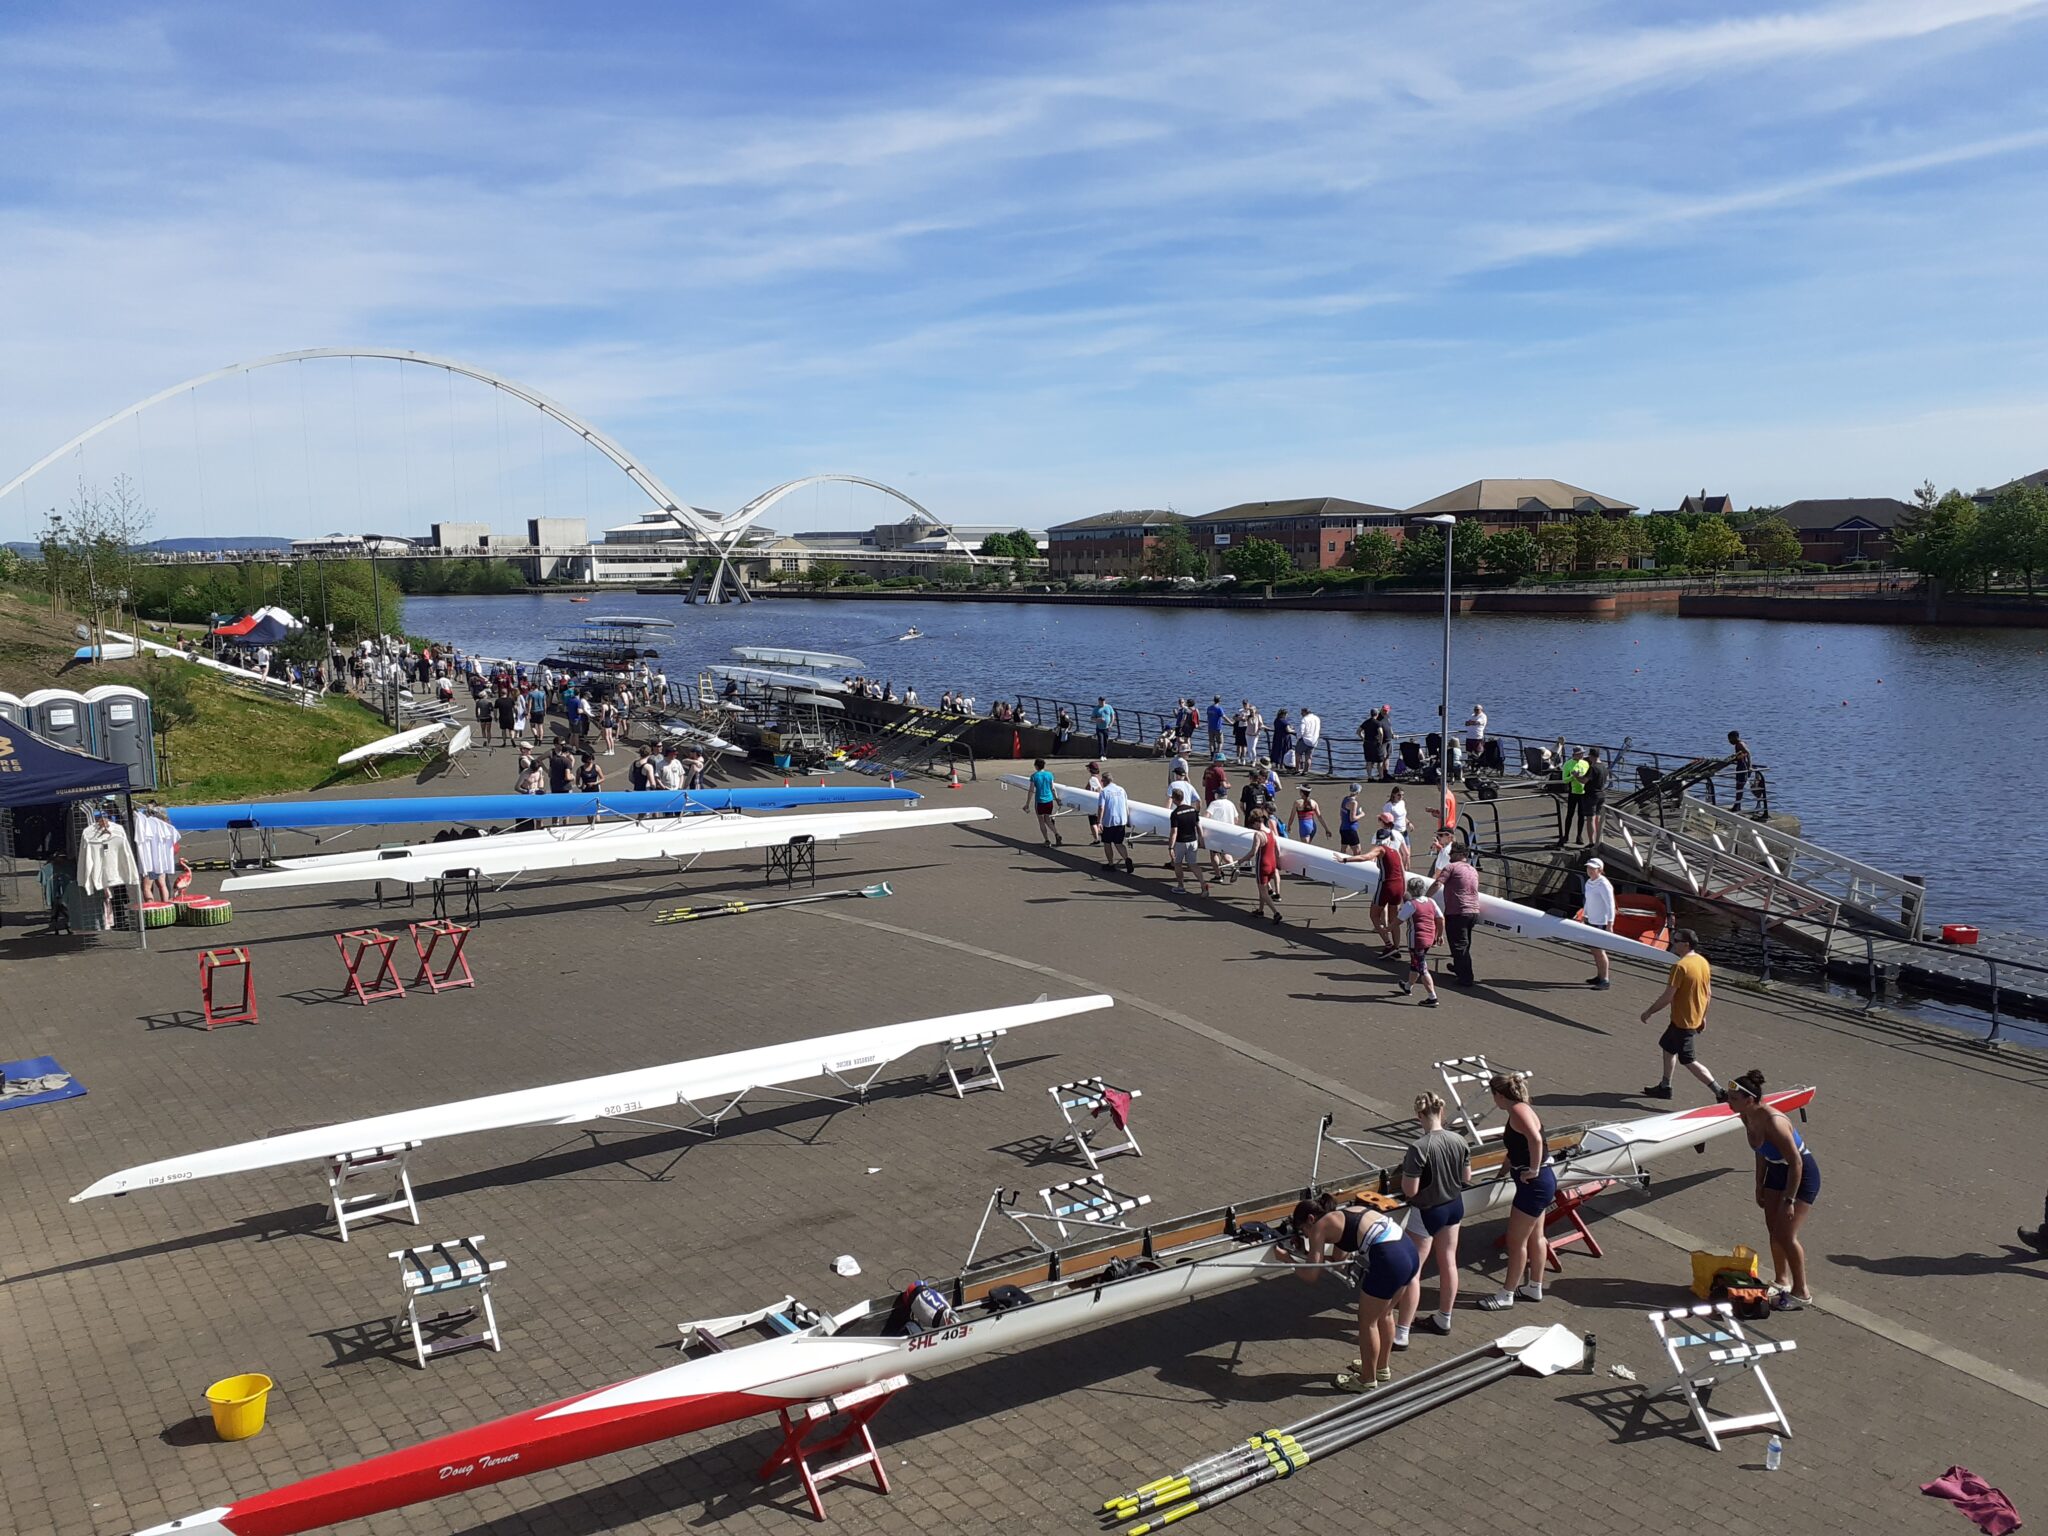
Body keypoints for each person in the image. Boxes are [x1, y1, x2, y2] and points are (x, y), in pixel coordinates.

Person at [1280, 1193, 1418, 1394]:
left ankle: (1366, 1380)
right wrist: (1304, 1254)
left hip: (1389, 1260)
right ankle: (1380, 1368)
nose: (1307, 1236)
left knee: (1366, 1321)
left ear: (1311, 1219)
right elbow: (1338, 1261)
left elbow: (1311, 1275)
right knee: (1385, 1314)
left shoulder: (1320, 1226)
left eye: (1304, 1231)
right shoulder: (1344, 1214)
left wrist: (1287, 1260)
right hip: (1407, 1251)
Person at [1727, 1068, 1819, 1308]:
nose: (1728, 1102)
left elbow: (1796, 1163)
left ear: (1750, 1100)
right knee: (1773, 1229)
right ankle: (1781, 1280)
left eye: (1733, 1099)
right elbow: (1760, 1153)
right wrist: (1759, 1184)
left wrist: (1789, 1200)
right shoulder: (1745, 1115)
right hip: (1775, 1171)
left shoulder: (1774, 1122)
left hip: (1800, 1173)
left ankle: (1802, 1293)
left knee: (1786, 1235)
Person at [1397, 1092, 1472, 1342]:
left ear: (1419, 1116)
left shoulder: (1419, 1147)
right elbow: (1467, 1178)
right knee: (1448, 1262)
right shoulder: (1459, 1140)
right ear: (1442, 1111)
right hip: (1454, 1206)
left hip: (1427, 1212)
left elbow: (1410, 1191)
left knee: (1412, 1272)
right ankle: (1444, 1318)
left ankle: (1402, 1332)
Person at [1476, 1074, 1552, 1310]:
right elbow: (1514, 1149)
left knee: (1515, 1241)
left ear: (1499, 1095)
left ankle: (1506, 1294)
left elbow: (1536, 1140)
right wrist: (1500, 1175)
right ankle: (1534, 1287)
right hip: (1543, 1182)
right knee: (1536, 1236)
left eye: (1493, 1096)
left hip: (1533, 1185)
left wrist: (1533, 1170)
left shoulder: (1518, 1112)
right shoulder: (1522, 1109)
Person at [1641, 929, 1723, 1101]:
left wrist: (1649, 1011)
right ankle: (1665, 1086)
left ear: (1686, 944)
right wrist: (1703, 1016)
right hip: (1690, 1018)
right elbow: (1708, 993)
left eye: (1676, 940)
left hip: (1684, 1022)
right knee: (1668, 1047)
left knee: (1688, 1060)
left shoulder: (1680, 967)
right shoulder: (1702, 961)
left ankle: (1720, 1092)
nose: (1673, 942)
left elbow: (1668, 997)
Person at [1429, 842, 1480, 987]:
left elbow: (1438, 884)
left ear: (1459, 855)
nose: (1449, 855)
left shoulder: (1451, 867)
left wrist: (1425, 898)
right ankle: (1459, 968)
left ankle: (1466, 978)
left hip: (1457, 911)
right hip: (1473, 911)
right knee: (1464, 943)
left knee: (1459, 945)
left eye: (1452, 853)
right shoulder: (1472, 870)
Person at [1398, 889, 1441, 1006]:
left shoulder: (1410, 905)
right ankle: (1407, 987)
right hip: (1428, 938)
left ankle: (1432, 997)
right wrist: (1439, 935)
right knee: (1415, 964)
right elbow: (1440, 918)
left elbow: (1398, 920)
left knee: (1422, 968)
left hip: (1416, 941)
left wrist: (1387, 929)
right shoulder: (1431, 902)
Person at [1167, 779, 1209, 895]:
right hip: (1193, 841)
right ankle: (1203, 884)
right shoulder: (1193, 810)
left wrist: (1170, 847)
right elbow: (1198, 826)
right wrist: (1201, 839)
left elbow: (1174, 832)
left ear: (1174, 800)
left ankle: (1181, 886)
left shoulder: (1175, 814)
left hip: (1181, 842)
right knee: (1193, 864)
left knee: (1178, 863)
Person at [1581, 856, 1616, 989]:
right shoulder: (1589, 882)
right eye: (1589, 868)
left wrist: (1610, 924)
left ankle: (1605, 979)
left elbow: (1610, 905)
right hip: (1592, 920)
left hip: (1601, 921)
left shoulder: (1604, 884)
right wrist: (1584, 916)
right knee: (1594, 950)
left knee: (1599, 950)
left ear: (1600, 870)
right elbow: (1588, 901)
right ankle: (1599, 975)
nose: (1590, 870)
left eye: (1593, 869)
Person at [1248, 807, 1283, 921]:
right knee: (1262, 888)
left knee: (1263, 891)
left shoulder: (1258, 835)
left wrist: (1241, 860)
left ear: (1257, 822)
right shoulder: (1271, 832)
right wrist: (1278, 862)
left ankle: (1276, 912)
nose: (1253, 827)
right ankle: (1260, 910)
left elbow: (1253, 852)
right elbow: (1277, 849)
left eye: (1253, 824)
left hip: (1262, 865)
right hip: (1272, 863)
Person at [1202, 780, 1241, 881]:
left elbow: (1206, 816)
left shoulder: (1214, 804)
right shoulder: (1231, 804)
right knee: (1226, 853)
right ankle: (1233, 868)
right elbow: (1236, 819)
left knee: (1214, 853)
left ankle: (1218, 875)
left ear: (1217, 795)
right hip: (1229, 832)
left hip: (1216, 832)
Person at [1097, 770, 1134, 874]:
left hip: (1109, 820)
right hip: (1121, 820)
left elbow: (1101, 807)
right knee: (1118, 843)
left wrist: (1099, 821)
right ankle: (1126, 858)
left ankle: (1111, 864)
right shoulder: (1121, 790)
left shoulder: (1104, 791)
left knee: (1107, 842)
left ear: (1104, 781)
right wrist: (1127, 818)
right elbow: (1126, 804)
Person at [1025, 757, 1062, 846]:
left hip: (1040, 801)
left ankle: (1047, 840)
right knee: (1047, 819)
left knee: (1041, 821)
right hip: (1049, 800)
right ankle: (1056, 833)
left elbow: (1031, 790)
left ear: (1036, 766)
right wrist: (1056, 799)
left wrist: (1027, 804)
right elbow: (1053, 788)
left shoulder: (1034, 776)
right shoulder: (1049, 775)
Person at [1559, 745, 1591, 844]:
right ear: (1575, 755)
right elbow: (1564, 780)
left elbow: (1588, 777)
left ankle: (1579, 836)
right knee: (1570, 814)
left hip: (1583, 792)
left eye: (1582, 753)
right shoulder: (1568, 764)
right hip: (1572, 792)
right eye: (1580, 754)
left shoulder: (1585, 763)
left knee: (1581, 815)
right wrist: (1573, 777)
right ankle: (1566, 836)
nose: (1582, 755)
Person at [1582, 748, 1609, 844]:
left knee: (1590, 819)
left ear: (1591, 756)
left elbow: (1584, 781)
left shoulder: (1593, 768)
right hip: (1601, 794)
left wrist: (1576, 776)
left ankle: (1591, 842)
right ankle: (1599, 840)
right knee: (1598, 818)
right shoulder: (1604, 767)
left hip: (1592, 794)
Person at [1728, 729, 1755, 810]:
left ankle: (1737, 805)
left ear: (1735, 737)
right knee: (1739, 787)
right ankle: (1737, 805)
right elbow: (1743, 755)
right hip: (1741, 766)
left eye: (1730, 739)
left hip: (1742, 767)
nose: (1729, 741)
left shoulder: (1739, 744)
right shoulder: (1742, 743)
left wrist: (1750, 766)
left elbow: (1748, 753)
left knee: (1739, 786)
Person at [1380, 785, 1409, 851]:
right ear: (1393, 795)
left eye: (1402, 795)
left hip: (1404, 831)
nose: (1401, 797)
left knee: (1407, 853)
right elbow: (1385, 820)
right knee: (1397, 853)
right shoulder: (1389, 806)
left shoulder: (1402, 803)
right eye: (1399, 795)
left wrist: (1409, 823)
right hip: (1395, 832)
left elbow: (1403, 816)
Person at [1338, 783, 1364, 852]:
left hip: (1343, 828)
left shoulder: (1345, 799)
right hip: (1350, 829)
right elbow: (1352, 818)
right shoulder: (1353, 802)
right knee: (1357, 851)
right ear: (1358, 792)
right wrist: (1362, 814)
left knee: (1343, 850)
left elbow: (1341, 813)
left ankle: (1340, 862)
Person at [1084, 760, 1104, 844]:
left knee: (1093, 821)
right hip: (1101, 802)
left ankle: (1096, 839)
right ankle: (1103, 837)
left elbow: (1097, 790)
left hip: (1094, 802)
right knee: (1100, 819)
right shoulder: (1101, 778)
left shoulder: (1092, 779)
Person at [1297, 706, 1321, 772]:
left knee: (1298, 754)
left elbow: (1302, 730)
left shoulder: (1304, 719)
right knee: (1308, 757)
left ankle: (1297, 770)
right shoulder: (1317, 718)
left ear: (1305, 712)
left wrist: (1298, 737)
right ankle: (1306, 771)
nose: (1301, 714)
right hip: (1314, 740)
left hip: (1305, 740)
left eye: (1301, 713)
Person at [1269, 709, 1294, 773]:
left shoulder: (1276, 720)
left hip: (1277, 737)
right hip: (1284, 738)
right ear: (1284, 714)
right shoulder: (1284, 722)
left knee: (1276, 750)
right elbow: (1288, 730)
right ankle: (1282, 764)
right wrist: (1293, 730)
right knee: (1284, 751)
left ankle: (1276, 764)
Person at [1205, 696, 1226, 760]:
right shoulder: (1219, 708)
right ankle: (1217, 755)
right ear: (1219, 701)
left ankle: (1212, 755)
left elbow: (1208, 717)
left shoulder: (1209, 708)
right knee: (1220, 742)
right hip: (1218, 727)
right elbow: (1224, 717)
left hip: (1210, 727)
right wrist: (1231, 722)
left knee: (1211, 742)